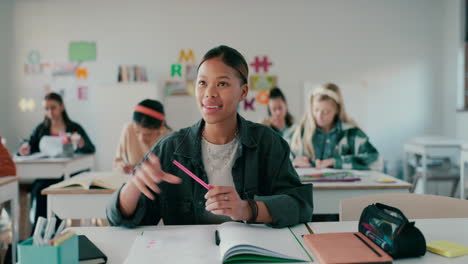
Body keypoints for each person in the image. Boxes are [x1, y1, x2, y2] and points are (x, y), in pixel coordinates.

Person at [107, 45, 312, 228]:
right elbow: (119, 219)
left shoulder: (267, 142)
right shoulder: (171, 148)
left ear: (243, 92)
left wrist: (247, 209)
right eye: (202, 83)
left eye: (222, 84)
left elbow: (300, 205)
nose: (209, 93)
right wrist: (132, 186)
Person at [17, 92, 95, 227]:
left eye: (53, 107)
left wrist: (81, 144)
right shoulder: (41, 129)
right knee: (40, 190)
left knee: (55, 191)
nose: (50, 112)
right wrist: (24, 149)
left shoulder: (74, 128)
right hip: (46, 176)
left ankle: (56, 231)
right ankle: (40, 233)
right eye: (46, 109)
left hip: (70, 175)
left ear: (61, 107)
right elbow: (28, 145)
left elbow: (90, 148)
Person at [289, 83, 382, 171]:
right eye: (316, 110)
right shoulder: (298, 132)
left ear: (337, 110)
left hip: (343, 187)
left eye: (326, 112)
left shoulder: (351, 133)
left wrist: (335, 162)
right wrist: (292, 162)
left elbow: (376, 162)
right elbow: (277, 160)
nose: (319, 116)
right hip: (306, 187)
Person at [113, 99, 172, 174]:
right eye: (137, 132)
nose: (141, 139)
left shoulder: (169, 138)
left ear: (161, 126)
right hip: (131, 181)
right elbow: (117, 162)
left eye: (148, 134)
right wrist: (121, 166)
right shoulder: (128, 129)